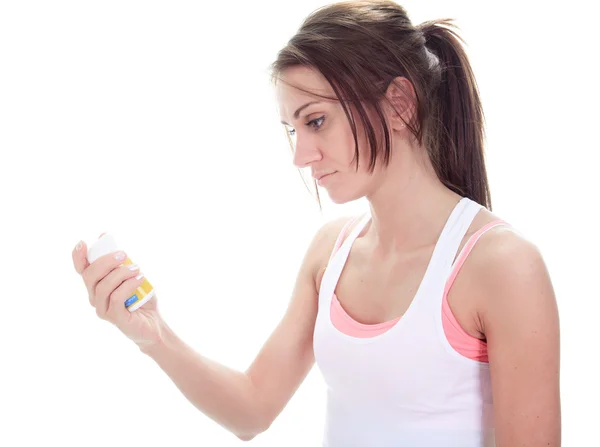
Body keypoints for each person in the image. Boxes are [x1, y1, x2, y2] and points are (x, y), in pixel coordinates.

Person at [71, 1, 561, 445]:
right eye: (293, 130)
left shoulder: (501, 265)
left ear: (398, 104)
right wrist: (152, 333)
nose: (301, 156)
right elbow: (252, 409)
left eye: (316, 121)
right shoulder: (331, 251)